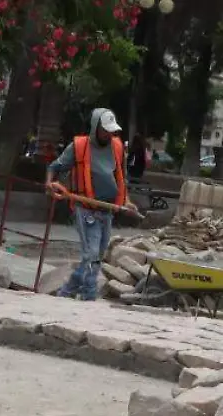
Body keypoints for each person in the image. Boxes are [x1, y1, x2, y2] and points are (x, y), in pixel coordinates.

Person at [47, 107, 136, 302]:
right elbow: (55, 167)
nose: (109, 134)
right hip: (86, 210)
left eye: (112, 130)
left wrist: (127, 201)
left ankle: (67, 292)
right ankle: (89, 296)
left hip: (108, 211)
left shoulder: (117, 148)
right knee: (92, 255)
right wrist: (50, 183)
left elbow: (122, 178)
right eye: (105, 130)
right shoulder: (79, 147)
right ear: (95, 127)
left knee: (97, 256)